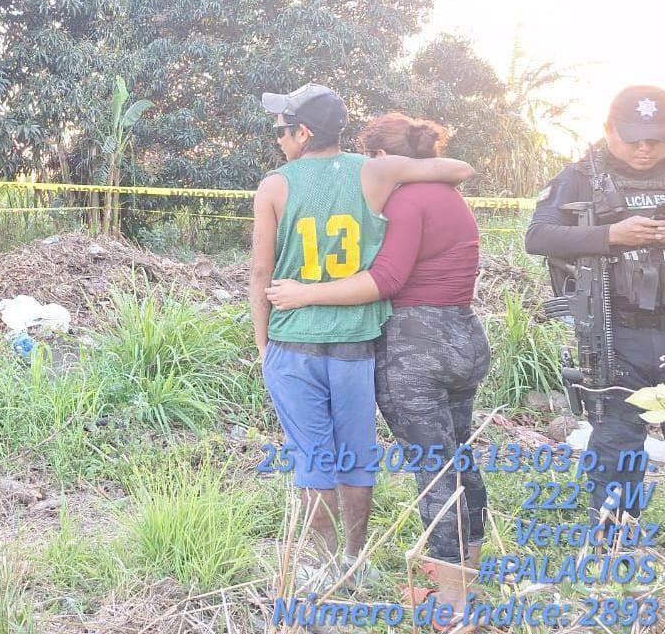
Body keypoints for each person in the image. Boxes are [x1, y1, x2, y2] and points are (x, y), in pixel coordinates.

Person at [250, 84, 475, 583]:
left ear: (303, 132)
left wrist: (264, 344)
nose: (278, 139)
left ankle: (323, 567)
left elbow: (261, 273)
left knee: (313, 458)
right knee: (355, 455)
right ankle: (355, 559)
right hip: (356, 343)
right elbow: (460, 170)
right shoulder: (373, 170)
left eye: (282, 131)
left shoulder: (275, 185)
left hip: (294, 340)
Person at [526, 85, 665, 524]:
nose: (645, 148)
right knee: (617, 438)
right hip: (615, 330)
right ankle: (615, 538)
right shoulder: (580, 176)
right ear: (608, 130)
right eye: (633, 137)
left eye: (655, 138)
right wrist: (611, 237)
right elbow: (538, 237)